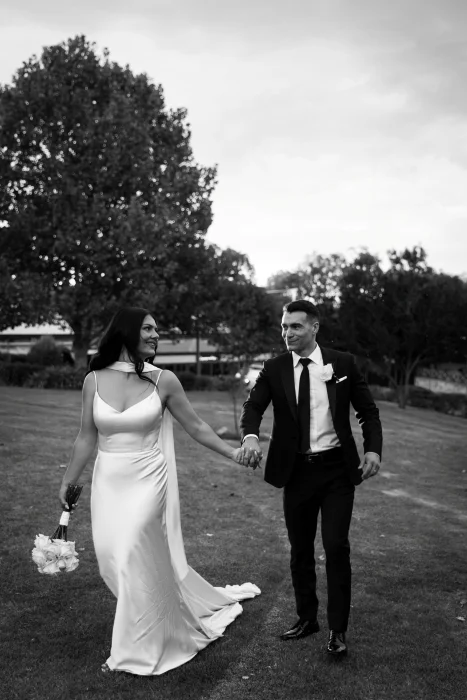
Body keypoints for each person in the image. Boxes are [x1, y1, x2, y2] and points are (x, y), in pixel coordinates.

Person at [59, 307, 260, 676]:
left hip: (149, 478)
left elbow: (196, 426)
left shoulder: (163, 380)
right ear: (127, 331)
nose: (156, 335)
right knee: (112, 558)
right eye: (148, 328)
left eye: (156, 329)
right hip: (109, 482)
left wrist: (233, 452)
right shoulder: (93, 380)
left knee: (132, 548)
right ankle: (154, 617)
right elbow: (86, 437)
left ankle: (132, 652)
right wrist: (67, 481)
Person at [240, 299, 382, 657]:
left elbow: (367, 411)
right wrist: (251, 436)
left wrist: (373, 450)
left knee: (336, 547)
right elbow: (253, 406)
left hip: (337, 471)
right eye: (284, 326)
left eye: (296, 326)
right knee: (300, 549)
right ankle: (307, 618)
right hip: (297, 472)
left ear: (314, 327)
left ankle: (337, 629)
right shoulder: (274, 368)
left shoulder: (342, 363)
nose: (287, 333)